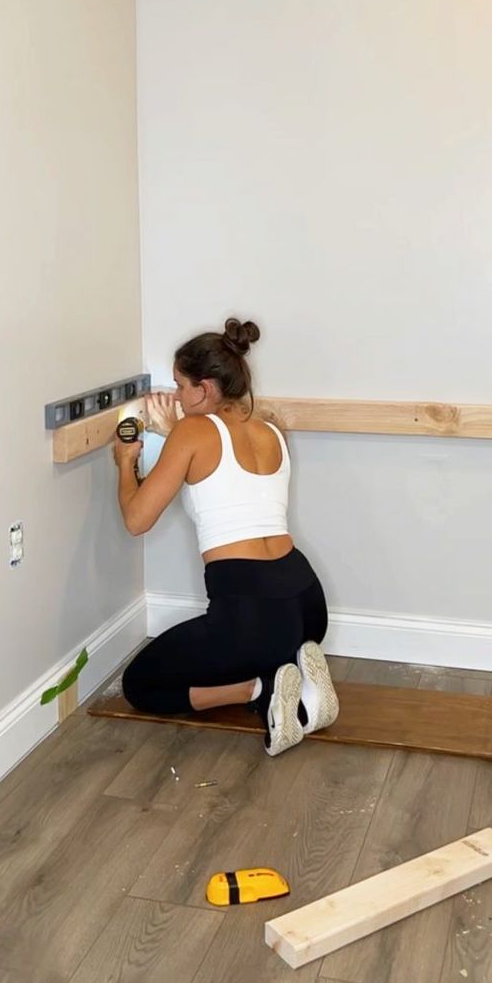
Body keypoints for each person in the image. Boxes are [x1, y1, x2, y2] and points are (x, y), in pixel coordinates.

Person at [113, 317, 339, 756]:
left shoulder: (192, 432)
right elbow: (222, 474)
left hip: (250, 612)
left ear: (205, 390)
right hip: (306, 603)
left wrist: (125, 462)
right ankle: (293, 670)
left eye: (181, 387)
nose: (176, 397)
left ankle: (263, 687)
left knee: (141, 683)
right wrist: (175, 432)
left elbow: (137, 520)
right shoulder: (269, 428)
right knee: (254, 644)